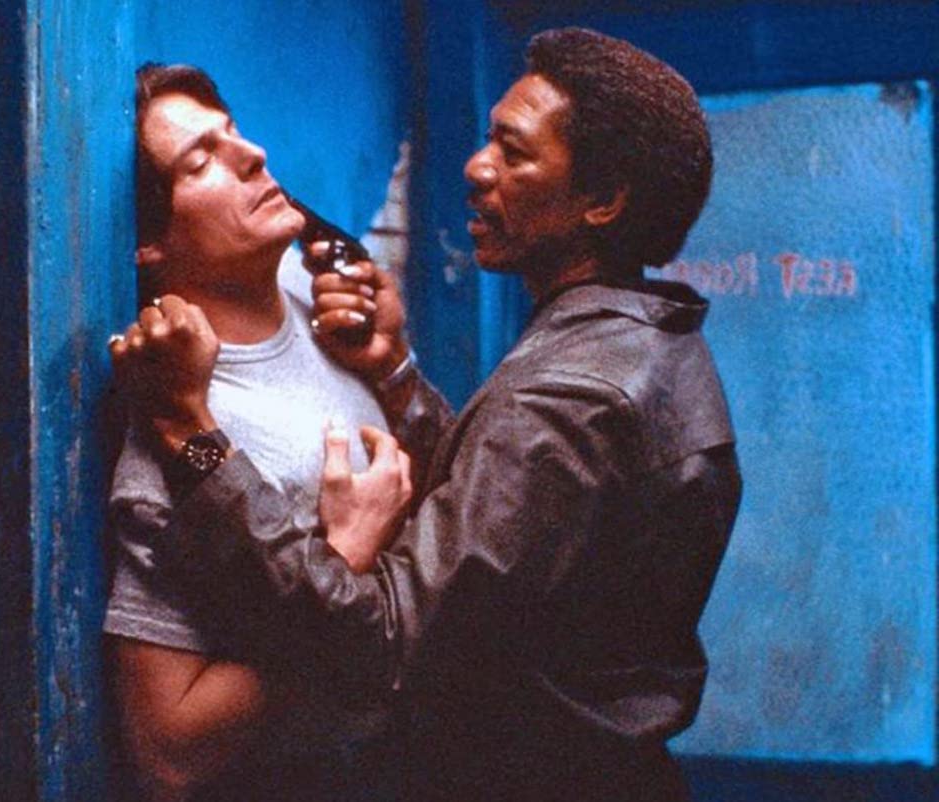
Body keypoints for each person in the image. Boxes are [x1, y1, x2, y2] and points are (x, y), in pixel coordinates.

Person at [116, 28, 742, 802]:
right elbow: (508, 516)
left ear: (603, 202)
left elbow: (386, 639)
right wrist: (393, 371)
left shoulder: (567, 396)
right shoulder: (649, 341)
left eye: (514, 152)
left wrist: (193, 437)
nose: (476, 168)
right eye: (200, 158)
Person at [103, 63, 414, 802]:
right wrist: (343, 559)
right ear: (149, 242)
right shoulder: (183, 429)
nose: (253, 155)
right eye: (201, 161)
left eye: (234, 132)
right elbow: (168, 753)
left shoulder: (320, 300)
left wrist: (394, 361)